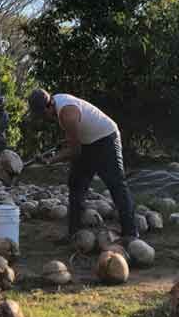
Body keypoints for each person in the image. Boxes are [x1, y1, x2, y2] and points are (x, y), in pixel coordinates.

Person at [27, 88, 138, 243]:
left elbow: (75, 151)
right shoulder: (58, 103)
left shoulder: (67, 113)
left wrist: (50, 161)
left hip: (106, 139)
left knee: (116, 184)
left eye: (43, 114)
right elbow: (75, 137)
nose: (44, 118)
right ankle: (74, 234)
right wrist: (63, 145)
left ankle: (131, 233)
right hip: (88, 142)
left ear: (48, 106)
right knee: (76, 184)